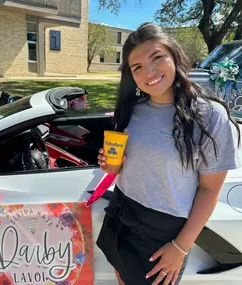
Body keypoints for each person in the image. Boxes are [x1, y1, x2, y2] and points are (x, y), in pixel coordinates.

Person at [96, 22, 242, 285]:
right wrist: (113, 167)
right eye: (137, 67)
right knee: (120, 274)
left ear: (174, 55)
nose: (148, 72)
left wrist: (180, 247)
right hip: (121, 209)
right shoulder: (133, 111)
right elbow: (132, 164)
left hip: (161, 230)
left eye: (156, 58)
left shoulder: (210, 117)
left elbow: (209, 190)